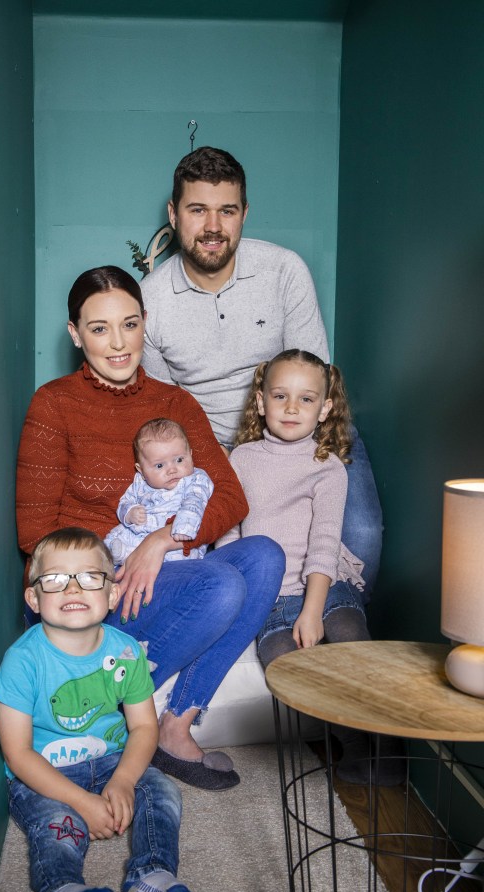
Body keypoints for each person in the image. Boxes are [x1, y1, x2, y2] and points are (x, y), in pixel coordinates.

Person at [16, 265, 286, 790]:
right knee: (222, 582)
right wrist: (114, 563)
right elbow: (35, 533)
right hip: (95, 587)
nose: (118, 344)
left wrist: (162, 541)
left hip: (163, 567)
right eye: (99, 328)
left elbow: (231, 496)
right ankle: (111, 709)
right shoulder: (53, 405)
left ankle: (176, 723)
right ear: (75, 333)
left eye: (130, 324)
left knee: (265, 556)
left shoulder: (173, 404)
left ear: (145, 324)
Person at [140, 145, 382, 597]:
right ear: (174, 215)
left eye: (226, 211)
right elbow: (166, 412)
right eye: (198, 210)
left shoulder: (284, 270)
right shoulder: (150, 301)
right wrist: (210, 465)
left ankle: (335, 641)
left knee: (363, 536)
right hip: (214, 447)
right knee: (230, 556)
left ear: (244, 213)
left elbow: (314, 377)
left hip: (302, 421)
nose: (213, 227)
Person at [0, 527, 193, 892]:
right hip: (43, 772)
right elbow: (17, 754)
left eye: (89, 577)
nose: (73, 587)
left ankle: (150, 878)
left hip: (108, 760)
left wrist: (122, 781)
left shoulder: (125, 652)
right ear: (33, 597)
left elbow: (143, 727)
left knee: (163, 792)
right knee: (58, 822)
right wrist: (81, 802)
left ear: (112, 595)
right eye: (54, 579)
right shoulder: (22, 661)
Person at [216, 351, 402, 785]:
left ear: (325, 409)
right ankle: (353, 744)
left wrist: (313, 611)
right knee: (287, 668)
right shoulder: (240, 459)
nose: (292, 408)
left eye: (306, 399)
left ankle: (389, 742)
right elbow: (228, 535)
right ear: (260, 402)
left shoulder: (328, 466)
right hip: (271, 599)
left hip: (326, 587)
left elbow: (323, 544)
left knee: (350, 647)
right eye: (280, 396)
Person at [104, 417, 214, 565]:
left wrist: (184, 526)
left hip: (175, 535)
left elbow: (195, 501)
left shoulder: (195, 479)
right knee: (117, 535)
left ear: (191, 455)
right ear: (141, 470)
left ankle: (129, 557)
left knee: (180, 555)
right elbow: (125, 502)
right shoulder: (140, 483)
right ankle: (119, 554)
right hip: (142, 530)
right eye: (160, 466)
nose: (172, 470)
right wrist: (130, 512)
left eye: (179, 460)